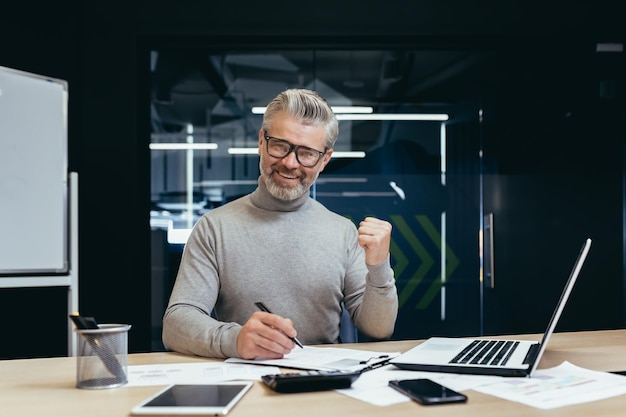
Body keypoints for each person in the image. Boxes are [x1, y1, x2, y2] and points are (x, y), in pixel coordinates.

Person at [162, 88, 398, 359]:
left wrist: (379, 266)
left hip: (325, 388)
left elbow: (379, 329)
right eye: (280, 146)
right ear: (262, 141)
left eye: (307, 153)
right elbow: (176, 324)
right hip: (247, 383)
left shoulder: (343, 233)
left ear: (324, 160)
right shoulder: (214, 228)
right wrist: (235, 339)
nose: (289, 163)